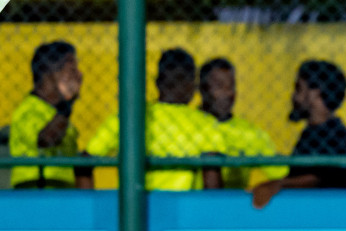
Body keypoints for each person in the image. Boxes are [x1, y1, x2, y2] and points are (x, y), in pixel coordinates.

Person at [86, 48, 223, 191]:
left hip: (136, 206)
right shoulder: (204, 123)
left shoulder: (131, 116)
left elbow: (85, 160)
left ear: (157, 82)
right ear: (193, 85)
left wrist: (87, 203)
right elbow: (212, 182)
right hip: (185, 208)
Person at [251, 60, 346, 208]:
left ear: (315, 93)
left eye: (298, 89)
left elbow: (318, 179)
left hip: (327, 216)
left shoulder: (336, 135)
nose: (293, 96)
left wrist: (277, 185)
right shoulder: (311, 133)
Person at [9, 41, 92, 189]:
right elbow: (47, 139)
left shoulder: (60, 116)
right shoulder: (28, 111)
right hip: (36, 197)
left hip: (65, 197)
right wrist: (66, 105)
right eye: (71, 69)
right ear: (49, 73)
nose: (79, 75)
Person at [200, 58, 286, 191]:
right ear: (202, 90)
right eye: (219, 86)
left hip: (234, 205)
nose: (228, 93)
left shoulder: (250, 133)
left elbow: (281, 174)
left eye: (231, 86)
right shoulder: (189, 125)